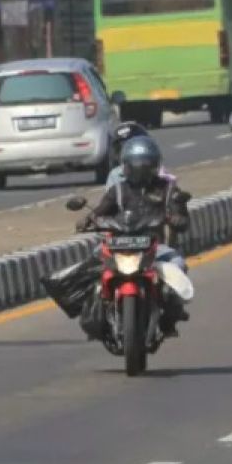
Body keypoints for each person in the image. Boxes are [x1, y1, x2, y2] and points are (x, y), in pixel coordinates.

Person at [80, 136, 190, 336]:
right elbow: (100, 211)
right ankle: (95, 314)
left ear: (155, 165)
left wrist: (177, 218)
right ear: (126, 166)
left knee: (178, 265)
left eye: (145, 164)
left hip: (155, 249)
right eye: (136, 164)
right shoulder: (118, 190)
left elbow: (181, 216)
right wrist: (88, 219)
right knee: (90, 268)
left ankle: (170, 317)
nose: (140, 169)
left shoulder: (168, 189)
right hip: (118, 246)